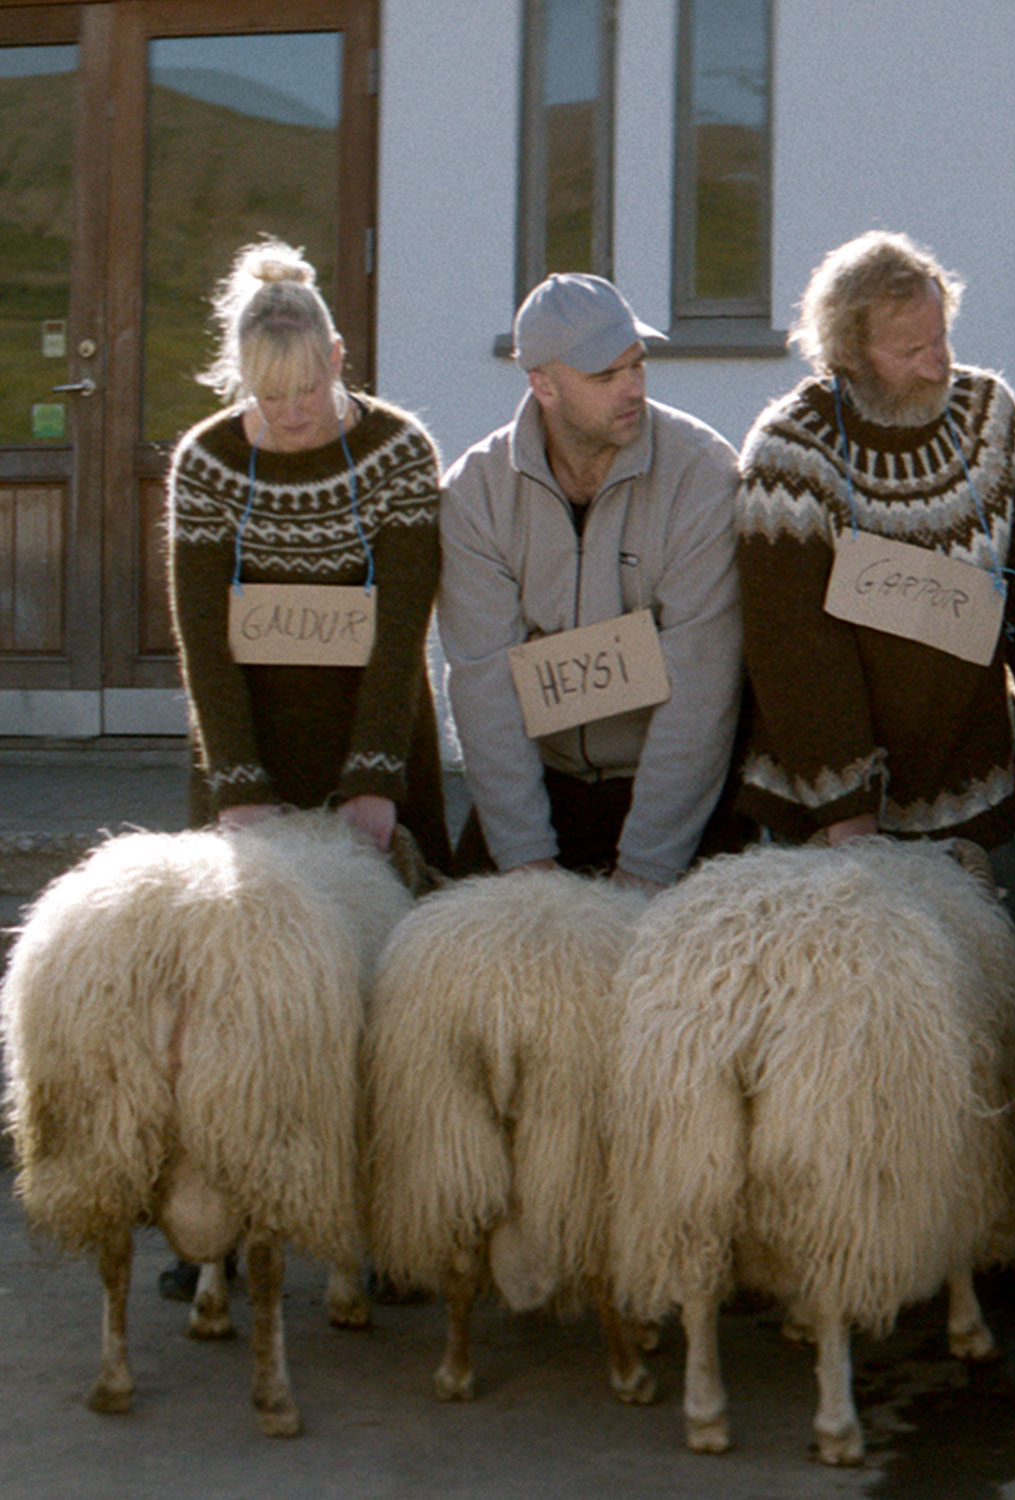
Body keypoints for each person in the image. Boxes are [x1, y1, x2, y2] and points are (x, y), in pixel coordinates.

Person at [163, 237, 450, 1300]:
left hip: (373, 748)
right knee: (239, 1001)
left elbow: (403, 628)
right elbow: (203, 641)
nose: (288, 413)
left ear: (338, 358)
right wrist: (237, 790)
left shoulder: (397, 451)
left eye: (307, 389)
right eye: (266, 394)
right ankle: (219, 1226)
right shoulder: (206, 462)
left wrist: (374, 778)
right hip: (249, 755)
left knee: (385, 1000)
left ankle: (381, 1232)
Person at [733, 231, 1015, 905]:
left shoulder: (989, 418)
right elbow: (793, 649)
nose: (936, 364)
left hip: (970, 789)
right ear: (850, 354)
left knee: (989, 963)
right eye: (910, 351)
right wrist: (845, 806)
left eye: (940, 338)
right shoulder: (788, 454)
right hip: (825, 813)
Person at [439, 274, 741, 893]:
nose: (633, 388)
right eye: (605, 376)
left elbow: (701, 687)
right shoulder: (475, 494)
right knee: (453, 938)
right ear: (544, 386)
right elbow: (484, 687)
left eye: (637, 364)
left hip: (675, 794)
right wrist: (527, 861)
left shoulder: (704, 475)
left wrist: (646, 870)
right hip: (543, 785)